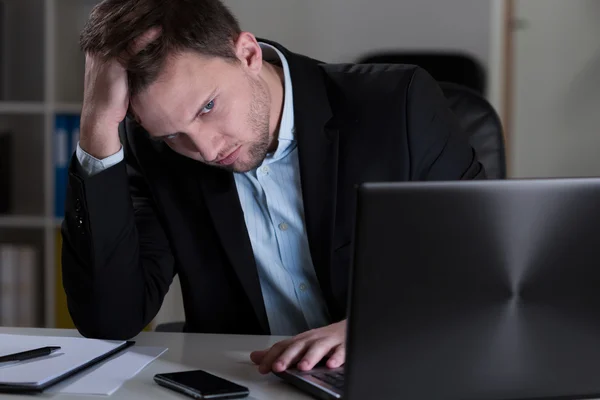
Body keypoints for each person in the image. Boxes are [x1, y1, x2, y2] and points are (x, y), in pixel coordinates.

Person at [61, 0, 486, 376]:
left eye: (208, 107)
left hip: (396, 369)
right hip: (251, 384)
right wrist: (96, 125)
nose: (207, 150)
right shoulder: (156, 153)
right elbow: (108, 319)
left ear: (246, 53)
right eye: (172, 134)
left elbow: (488, 268)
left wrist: (379, 328)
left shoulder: (399, 104)